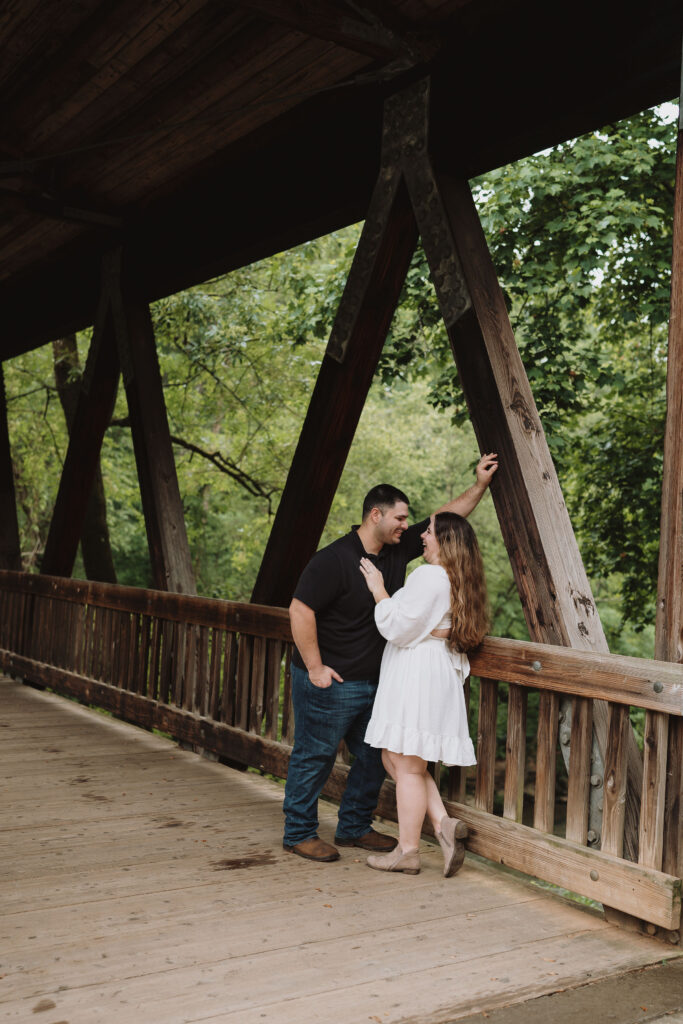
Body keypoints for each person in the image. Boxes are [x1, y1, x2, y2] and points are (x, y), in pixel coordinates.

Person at [282, 453, 498, 863]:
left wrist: (480, 486)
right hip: (332, 680)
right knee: (315, 756)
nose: (409, 527)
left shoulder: (398, 552)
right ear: (375, 515)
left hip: (379, 684)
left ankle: (354, 828)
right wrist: (314, 667)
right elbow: (300, 610)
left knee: (374, 760)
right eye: (400, 519)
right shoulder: (333, 559)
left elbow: (445, 520)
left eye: (411, 523)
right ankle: (299, 832)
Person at [359, 512, 489, 877]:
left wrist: (378, 589)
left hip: (418, 673)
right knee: (397, 759)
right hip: (437, 672)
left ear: (445, 540)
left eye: (429, 531)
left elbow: (398, 625)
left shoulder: (430, 575)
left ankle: (408, 851)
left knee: (407, 765)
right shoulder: (458, 577)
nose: (423, 537)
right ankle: (443, 825)